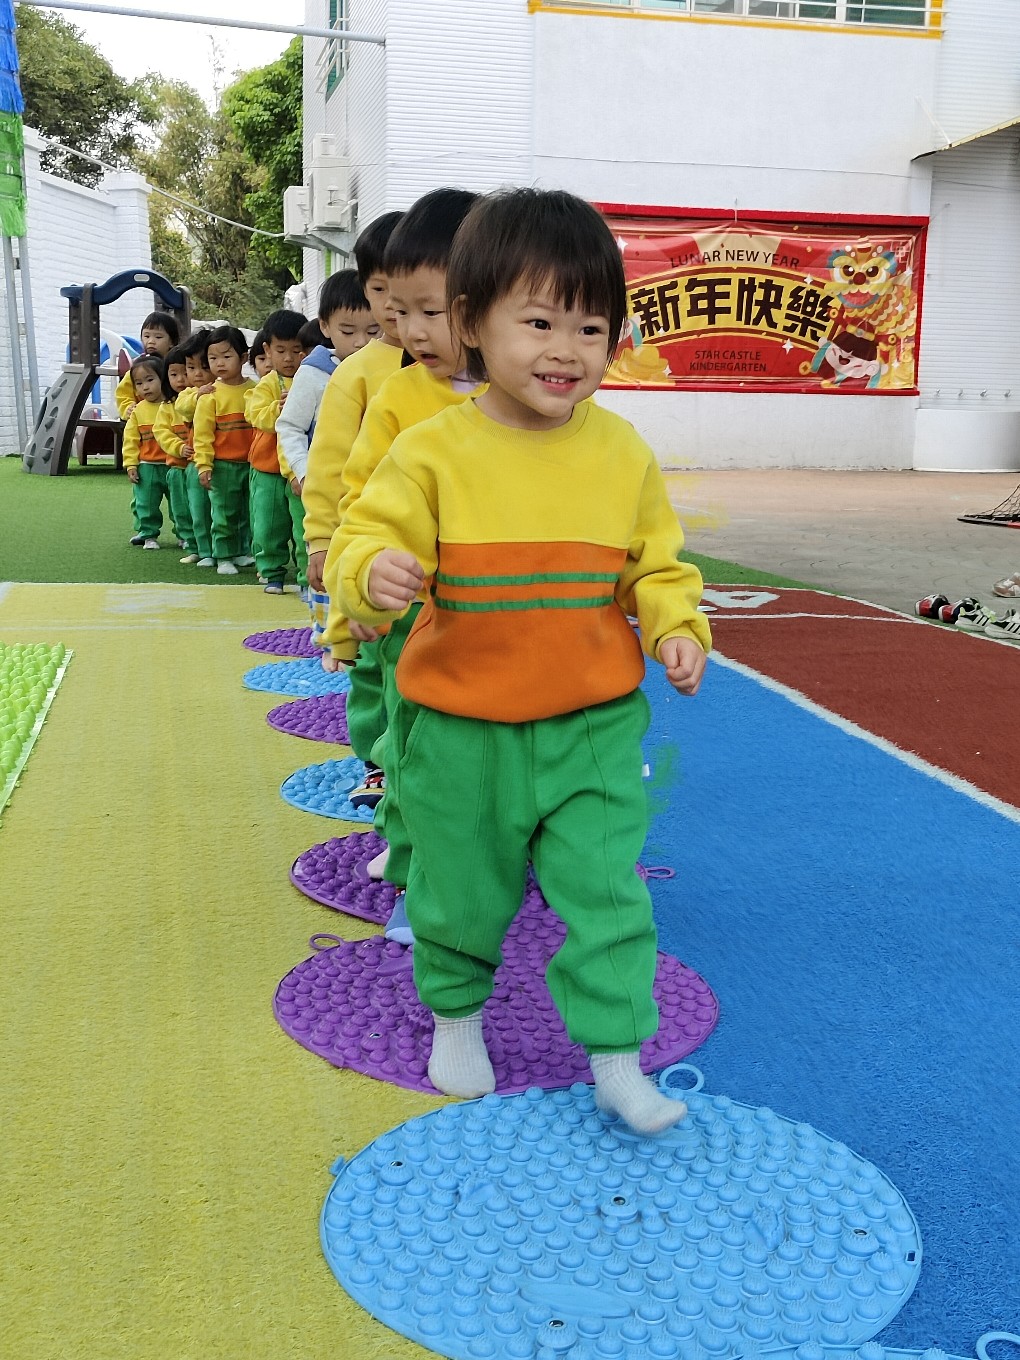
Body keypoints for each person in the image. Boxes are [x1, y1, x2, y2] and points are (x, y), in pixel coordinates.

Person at [333, 187, 711, 1135]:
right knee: (460, 891)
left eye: (591, 328)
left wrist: (675, 624)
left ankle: (617, 1058)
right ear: (472, 322)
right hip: (463, 729)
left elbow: (656, 565)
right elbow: (363, 534)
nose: (565, 350)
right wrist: (369, 573)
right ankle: (458, 1019)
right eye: (538, 322)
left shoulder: (621, 452)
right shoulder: (431, 451)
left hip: (591, 726)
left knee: (608, 892)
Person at [321, 189, 479, 925]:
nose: (410, 330)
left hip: (497, 612)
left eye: (431, 311)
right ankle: (409, 844)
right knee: (410, 735)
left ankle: (504, 845)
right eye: (399, 309)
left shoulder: (531, 394)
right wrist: (355, 591)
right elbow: (359, 500)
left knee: (494, 747)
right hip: (413, 609)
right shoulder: (395, 397)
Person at [302, 211, 405, 608]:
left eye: (408, 287)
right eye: (380, 289)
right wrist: (322, 538)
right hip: (368, 537)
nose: (394, 303)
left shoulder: (467, 367)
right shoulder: (354, 373)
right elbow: (329, 462)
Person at [275, 269, 380, 493]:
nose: (361, 342)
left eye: (373, 331)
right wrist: (303, 473)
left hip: (374, 488)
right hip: (326, 490)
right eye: (348, 332)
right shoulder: (313, 374)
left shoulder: (387, 370)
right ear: (324, 326)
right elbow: (290, 426)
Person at [246, 309, 307, 595]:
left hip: (300, 468)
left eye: (296, 350)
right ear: (267, 350)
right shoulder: (268, 383)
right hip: (268, 469)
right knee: (268, 525)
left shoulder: (311, 378)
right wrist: (279, 409)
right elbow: (256, 416)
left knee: (305, 525)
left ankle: (308, 577)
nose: (289, 358)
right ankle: (271, 572)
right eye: (281, 350)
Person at [192, 326, 255, 576]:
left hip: (251, 464)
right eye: (213, 358)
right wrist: (204, 465)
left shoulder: (255, 390)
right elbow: (203, 435)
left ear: (243, 357)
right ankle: (223, 555)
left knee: (247, 512)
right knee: (223, 512)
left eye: (226, 356)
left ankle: (242, 551)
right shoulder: (210, 395)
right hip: (223, 465)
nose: (219, 363)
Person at [152, 343, 196, 560]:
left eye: (185, 372)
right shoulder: (167, 406)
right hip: (177, 467)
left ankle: (200, 536)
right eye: (173, 374)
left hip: (197, 466)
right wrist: (178, 448)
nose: (180, 380)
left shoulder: (200, 400)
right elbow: (161, 432)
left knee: (198, 504)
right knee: (180, 505)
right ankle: (185, 534)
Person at [122, 355, 170, 549]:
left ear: (163, 379)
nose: (145, 387)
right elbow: (130, 440)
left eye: (150, 380)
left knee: (181, 504)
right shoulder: (138, 411)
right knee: (145, 503)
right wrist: (131, 464)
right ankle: (148, 534)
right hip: (147, 466)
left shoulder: (174, 405)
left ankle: (186, 535)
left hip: (174, 465)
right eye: (139, 383)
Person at [178, 330, 216, 567]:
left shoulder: (224, 389)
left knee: (223, 510)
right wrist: (198, 396)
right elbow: (183, 408)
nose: (198, 374)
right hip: (195, 461)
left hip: (221, 459)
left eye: (204, 367)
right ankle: (201, 549)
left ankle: (229, 549)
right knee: (198, 509)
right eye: (191, 368)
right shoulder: (189, 394)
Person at [115, 312, 180, 418]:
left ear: (172, 342)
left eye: (158, 337)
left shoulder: (177, 365)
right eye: (146, 336)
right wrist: (128, 407)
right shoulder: (139, 367)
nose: (151, 341)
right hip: (144, 420)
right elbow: (123, 393)